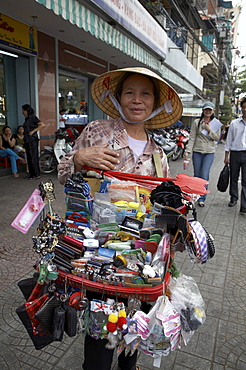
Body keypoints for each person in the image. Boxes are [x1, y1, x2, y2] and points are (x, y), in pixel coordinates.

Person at [58, 67, 183, 370]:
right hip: (101, 256)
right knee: (101, 331)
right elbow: (62, 175)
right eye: (130, 92)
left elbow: (162, 211)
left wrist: (169, 256)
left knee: (136, 327)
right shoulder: (98, 132)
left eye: (145, 94)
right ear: (118, 97)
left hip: (141, 260)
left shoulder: (158, 155)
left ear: (156, 103)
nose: (137, 100)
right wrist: (77, 159)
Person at [184, 101, 220, 207]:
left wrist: (209, 130)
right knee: (197, 175)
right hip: (197, 151)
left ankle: (202, 198)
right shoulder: (197, 122)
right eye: (206, 109)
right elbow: (192, 137)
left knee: (204, 175)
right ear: (203, 110)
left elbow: (217, 138)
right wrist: (188, 151)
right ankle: (195, 195)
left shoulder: (216, 123)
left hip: (209, 152)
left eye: (210, 110)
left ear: (213, 111)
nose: (208, 111)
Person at [224, 97, 246, 213]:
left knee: (245, 180)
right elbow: (229, 140)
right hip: (235, 153)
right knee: (234, 177)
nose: (245, 109)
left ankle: (244, 204)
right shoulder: (234, 123)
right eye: (243, 107)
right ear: (241, 109)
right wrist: (226, 156)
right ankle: (233, 198)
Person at [22, 104, 45, 180]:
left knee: (33, 156)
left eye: (23, 110)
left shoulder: (32, 118)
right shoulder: (27, 119)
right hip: (27, 140)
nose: (22, 112)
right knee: (29, 156)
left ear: (26, 111)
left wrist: (33, 131)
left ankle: (36, 173)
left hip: (32, 140)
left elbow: (42, 125)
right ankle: (31, 174)